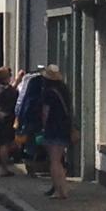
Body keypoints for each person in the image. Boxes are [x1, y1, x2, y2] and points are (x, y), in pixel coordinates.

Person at [39, 64, 73, 199]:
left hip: (52, 128)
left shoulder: (48, 92)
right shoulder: (64, 90)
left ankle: (60, 191)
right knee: (59, 159)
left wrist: (43, 126)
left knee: (54, 162)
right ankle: (63, 189)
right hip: (64, 127)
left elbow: (45, 113)